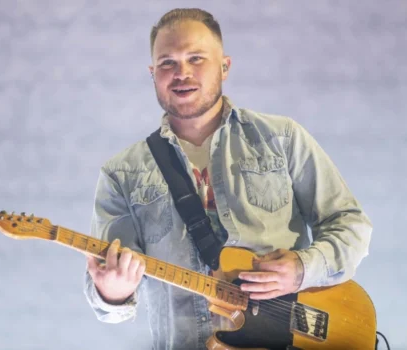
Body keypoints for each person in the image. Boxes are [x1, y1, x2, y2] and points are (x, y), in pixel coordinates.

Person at [84, 8, 372, 350]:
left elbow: (350, 226)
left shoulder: (282, 139)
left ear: (225, 66)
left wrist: (302, 268)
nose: (182, 73)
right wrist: (112, 292)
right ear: (152, 73)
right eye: (167, 63)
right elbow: (108, 305)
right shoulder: (121, 174)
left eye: (196, 58)